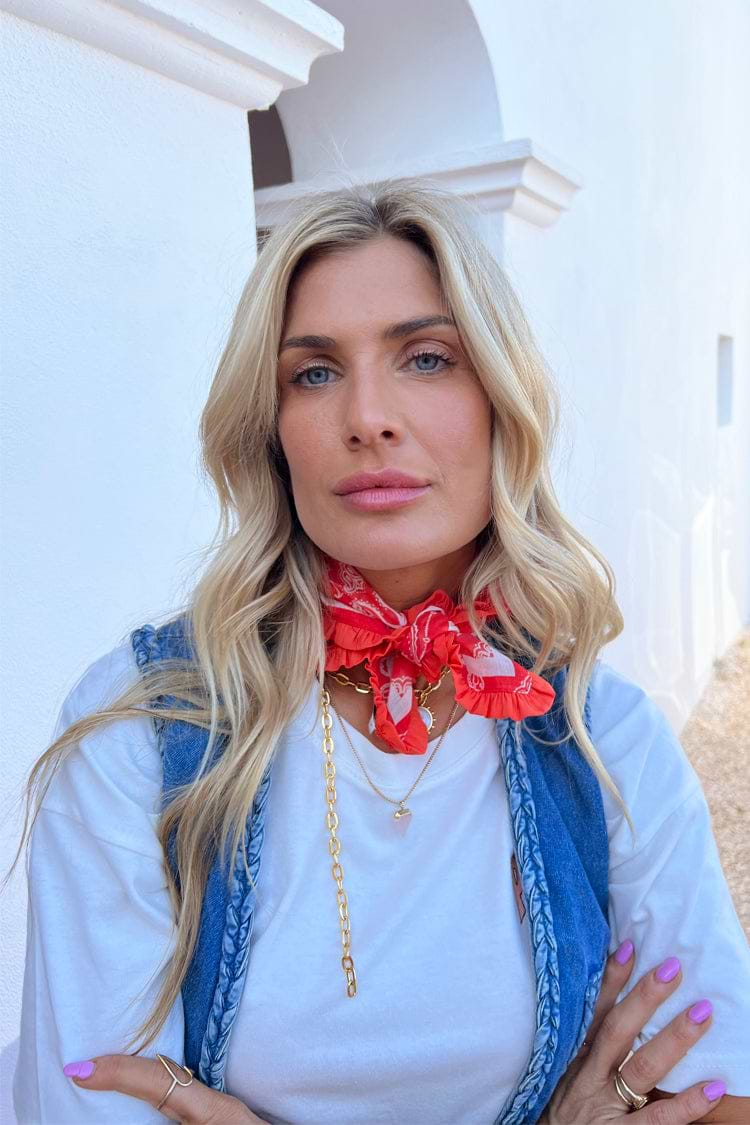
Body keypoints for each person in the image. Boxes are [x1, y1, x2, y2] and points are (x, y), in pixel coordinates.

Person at [6, 179, 750, 1124]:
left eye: (427, 358)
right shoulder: (148, 729)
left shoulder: (604, 735)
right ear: (271, 434)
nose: (368, 415)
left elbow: (721, 1092)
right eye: (313, 372)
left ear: (500, 399)